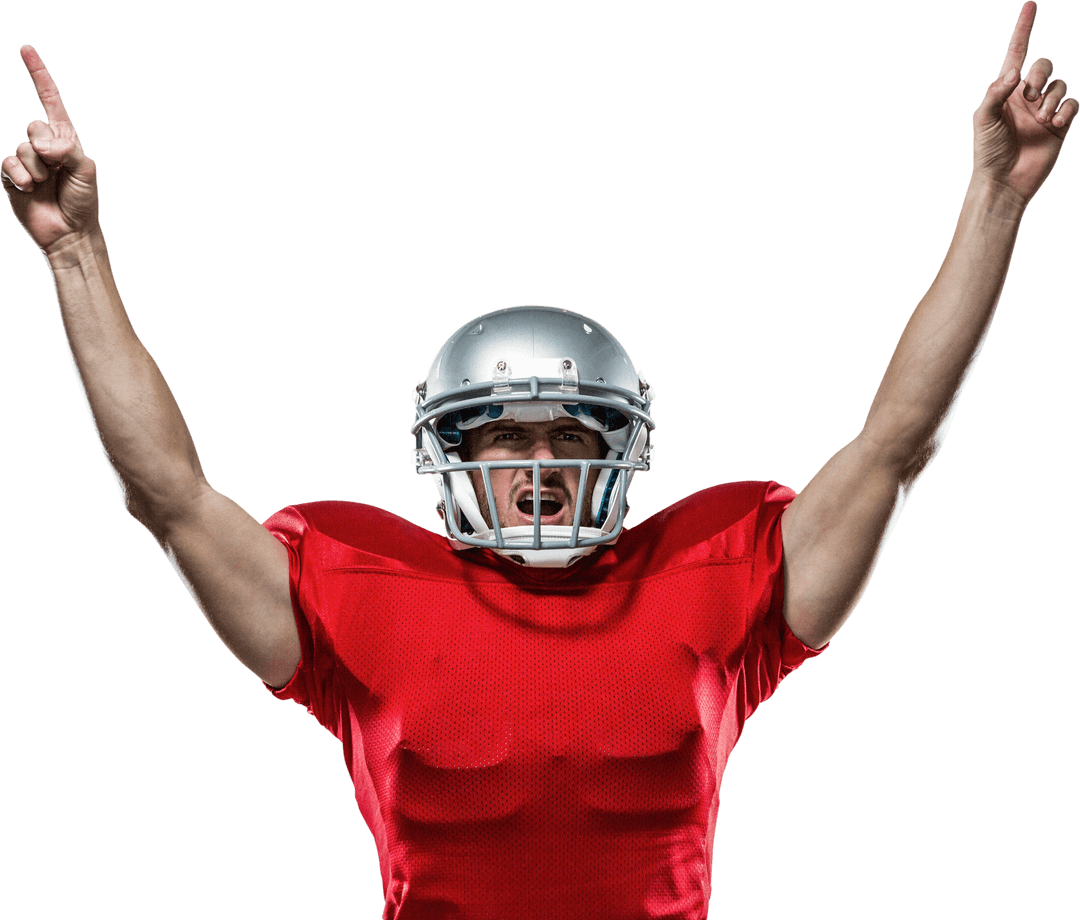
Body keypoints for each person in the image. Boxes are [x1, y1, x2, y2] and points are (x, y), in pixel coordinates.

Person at [3, 2, 1074, 917]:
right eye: (505, 435)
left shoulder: (717, 567)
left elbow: (899, 443)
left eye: (571, 434)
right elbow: (167, 494)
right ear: (447, 453)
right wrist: (75, 251)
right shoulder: (356, 582)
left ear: (621, 450)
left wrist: (997, 196)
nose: (540, 461)